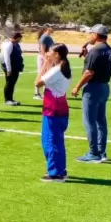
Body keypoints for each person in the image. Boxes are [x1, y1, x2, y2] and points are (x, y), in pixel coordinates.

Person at [71, 24, 111, 163]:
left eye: (91, 33)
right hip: (104, 87)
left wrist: (77, 87)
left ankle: (93, 153)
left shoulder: (95, 50)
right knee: (101, 121)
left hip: (93, 88)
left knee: (89, 122)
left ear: (96, 35)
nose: (89, 36)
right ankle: (101, 152)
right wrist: (87, 57)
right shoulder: (108, 49)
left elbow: (89, 72)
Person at [36, 44, 71, 182]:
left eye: (50, 52)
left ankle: (55, 172)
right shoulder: (65, 68)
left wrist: (45, 63)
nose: (48, 54)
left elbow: (38, 82)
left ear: (57, 54)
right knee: (57, 140)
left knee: (50, 141)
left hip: (53, 109)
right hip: (60, 106)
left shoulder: (57, 70)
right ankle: (60, 169)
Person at [0, 31, 24, 106]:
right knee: (9, 82)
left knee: (12, 83)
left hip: (15, 66)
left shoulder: (15, 44)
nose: (20, 40)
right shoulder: (8, 44)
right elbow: (6, 57)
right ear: (16, 38)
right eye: (19, 38)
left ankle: (10, 98)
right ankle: (7, 99)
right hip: (10, 66)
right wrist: (8, 69)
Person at [34, 25, 54, 100]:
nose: (51, 30)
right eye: (50, 29)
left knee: (46, 75)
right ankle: (36, 93)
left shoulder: (48, 37)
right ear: (45, 29)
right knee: (41, 74)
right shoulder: (44, 37)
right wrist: (45, 59)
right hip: (44, 58)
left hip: (47, 58)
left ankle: (45, 93)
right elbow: (42, 49)